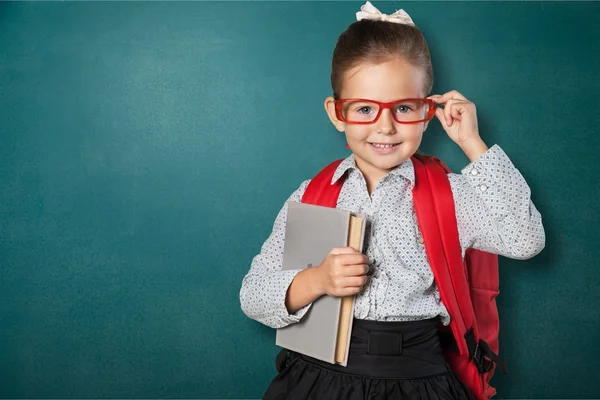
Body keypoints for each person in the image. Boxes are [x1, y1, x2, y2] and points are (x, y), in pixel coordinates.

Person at [239, 2, 546, 399]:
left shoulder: (451, 194)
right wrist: (316, 280)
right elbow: (253, 296)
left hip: (417, 380)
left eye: (403, 108)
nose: (385, 126)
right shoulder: (312, 194)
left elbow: (526, 241)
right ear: (337, 113)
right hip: (317, 379)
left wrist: (473, 143)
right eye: (365, 108)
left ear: (427, 110)